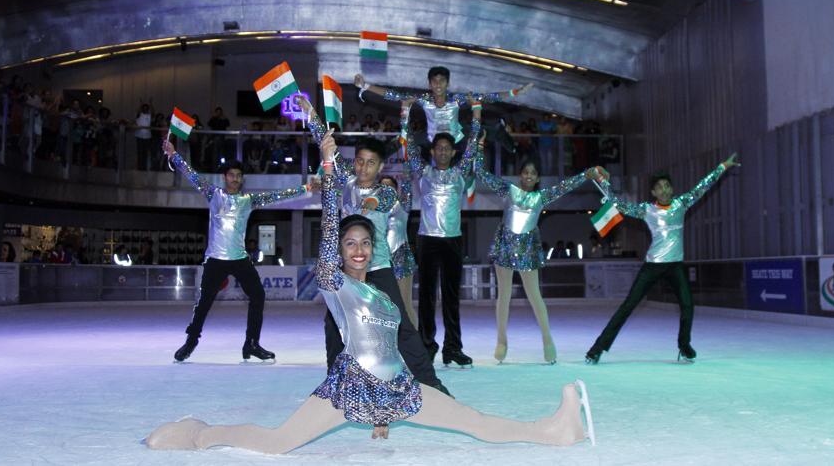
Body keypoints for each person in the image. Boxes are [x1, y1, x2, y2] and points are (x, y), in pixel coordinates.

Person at [145, 166, 594, 455]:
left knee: (474, 422)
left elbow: (390, 352)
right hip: (348, 391)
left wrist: (382, 416)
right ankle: (200, 433)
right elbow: (329, 248)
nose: (358, 250)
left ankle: (555, 429)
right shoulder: (335, 284)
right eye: (349, 244)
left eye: (364, 243)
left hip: (398, 391)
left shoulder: (382, 296)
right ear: (339, 252)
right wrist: (326, 172)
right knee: (279, 443)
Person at [297, 95, 448, 396]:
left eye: (371, 163)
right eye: (360, 161)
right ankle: (335, 385)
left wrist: (370, 201)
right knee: (333, 327)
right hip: (346, 274)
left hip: (378, 269)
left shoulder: (386, 191)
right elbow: (328, 147)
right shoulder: (347, 182)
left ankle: (432, 385)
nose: (364, 167)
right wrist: (312, 115)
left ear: (380, 166)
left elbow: (384, 200)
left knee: (402, 326)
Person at [163, 139, 309, 362]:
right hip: (215, 259)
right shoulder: (214, 194)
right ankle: (190, 342)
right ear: (225, 177)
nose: (235, 179)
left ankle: (251, 343)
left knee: (258, 295)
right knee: (204, 303)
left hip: (240, 258)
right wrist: (174, 155)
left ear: (242, 179)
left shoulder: (248, 200)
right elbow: (192, 175)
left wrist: (306, 187)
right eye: (232, 175)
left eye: (239, 176)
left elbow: (279, 195)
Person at [586, 154, 740, 364]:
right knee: (628, 306)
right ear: (653, 192)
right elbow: (617, 203)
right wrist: (603, 181)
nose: (664, 190)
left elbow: (703, 186)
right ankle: (597, 348)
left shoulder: (681, 204)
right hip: (652, 266)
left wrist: (722, 167)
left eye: (667, 186)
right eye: (659, 187)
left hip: (675, 266)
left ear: (672, 189)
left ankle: (684, 347)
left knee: (687, 305)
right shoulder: (646, 209)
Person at [474, 141, 602, 364]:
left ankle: (547, 340)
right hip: (505, 245)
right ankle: (501, 341)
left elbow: (565, 186)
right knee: (503, 295)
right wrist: (480, 146)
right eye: (525, 172)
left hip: (527, 249)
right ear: (520, 175)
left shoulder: (541, 197)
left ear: (538, 177)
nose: (529, 176)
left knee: (535, 296)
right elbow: (483, 174)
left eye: (533, 173)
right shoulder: (509, 190)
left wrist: (586, 175)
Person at [399, 97, 481, 367]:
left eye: (447, 148)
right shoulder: (422, 172)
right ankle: (426, 345)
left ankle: (453, 348)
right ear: (433, 152)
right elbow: (408, 144)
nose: (443, 152)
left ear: (453, 152)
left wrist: (477, 112)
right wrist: (405, 113)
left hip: (453, 240)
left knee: (451, 297)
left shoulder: (460, 172)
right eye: (439, 148)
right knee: (426, 296)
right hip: (427, 240)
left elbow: (473, 144)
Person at [354, 67, 532, 145]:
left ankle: (504, 137)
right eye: (434, 81)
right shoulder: (424, 99)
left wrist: (514, 92)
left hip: (457, 137)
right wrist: (366, 86)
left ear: (447, 84)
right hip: (432, 139)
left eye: (442, 81)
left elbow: (488, 97)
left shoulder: (457, 99)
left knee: (482, 130)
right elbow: (393, 95)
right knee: (404, 142)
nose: (438, 84)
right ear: (429, 84)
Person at [379, 171, 417, 328]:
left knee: (405, 304)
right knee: (382, 306)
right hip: (380, 261)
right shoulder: (372, 208)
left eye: (390, 186)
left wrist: (407, 152)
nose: (386, 189)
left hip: (401, 258)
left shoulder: (403, 204)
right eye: (383, 186)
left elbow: (408, 184)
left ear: (396, 189)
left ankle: (415, 344)